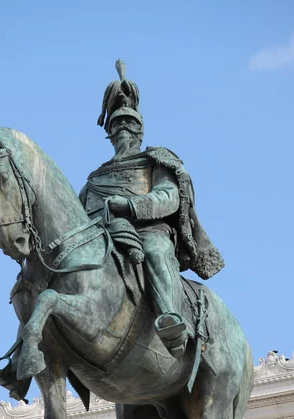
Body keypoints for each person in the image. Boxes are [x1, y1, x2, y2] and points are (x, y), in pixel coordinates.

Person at [79, 61, 224, 358]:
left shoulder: (156, 159)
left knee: (157, 251)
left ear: (139, 131)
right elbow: (77, 215)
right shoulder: (95, 177)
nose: (121, 129)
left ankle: (171, 317)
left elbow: (168, 196)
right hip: (105, 236)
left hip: (149, 231)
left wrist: (130, 205)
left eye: (128, 124)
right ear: (109, 133)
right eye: (116, 125)